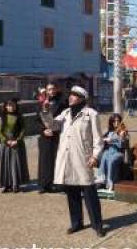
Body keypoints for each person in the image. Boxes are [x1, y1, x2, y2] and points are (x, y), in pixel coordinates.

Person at [41, 86, 106, 237]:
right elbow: (52, 125)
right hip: (67, 159)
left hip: (83, 159)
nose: (70, 97)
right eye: (70, 94)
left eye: (75, 95)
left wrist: (95, 156)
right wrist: (46, 112)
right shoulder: (65, 113)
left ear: (82, 99)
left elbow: (98, 139)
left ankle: (98, 225)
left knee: (90, 194)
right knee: (71, 193)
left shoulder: (91, 114)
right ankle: (76, 223)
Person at [37, 83, 67, 194]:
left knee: (57, 159)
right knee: (44, 160)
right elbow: (37, 119)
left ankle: (57, 184)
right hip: (45, 135)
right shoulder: (41, 102)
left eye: (53, 89)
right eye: (49, 89)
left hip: (57, 134)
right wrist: (43, 129)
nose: (51, 91)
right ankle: (43, 185)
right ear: (46, 91)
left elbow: (65, 119)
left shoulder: (63, 102)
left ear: (57, 89)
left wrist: (56, 129)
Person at [0, 99, 30, 193]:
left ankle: (16, 184)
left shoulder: (19, 116)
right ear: (6, 107)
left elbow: (23, 129)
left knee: (16, 163)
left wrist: (17, 140)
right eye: (9, 106)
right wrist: (5, 140)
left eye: (13, 106)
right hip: (6, 143)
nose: (11, 107)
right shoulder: (2, 117)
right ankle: (7, 184)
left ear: (16, 107)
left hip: (17, 143)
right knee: (6, 163)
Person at [98, 114, 129, 190]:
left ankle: (110, 181)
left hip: (118, 153)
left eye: (118, 121)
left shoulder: (123, 132)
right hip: (109, 152)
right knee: (104, 155)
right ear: (111, 122)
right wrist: (104, 140)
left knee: (111, 160)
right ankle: (101, 177)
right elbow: (103, 141)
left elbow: (121, 146)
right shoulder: (110, 132)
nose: (116, 122)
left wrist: (114, 140)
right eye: (114, 121)